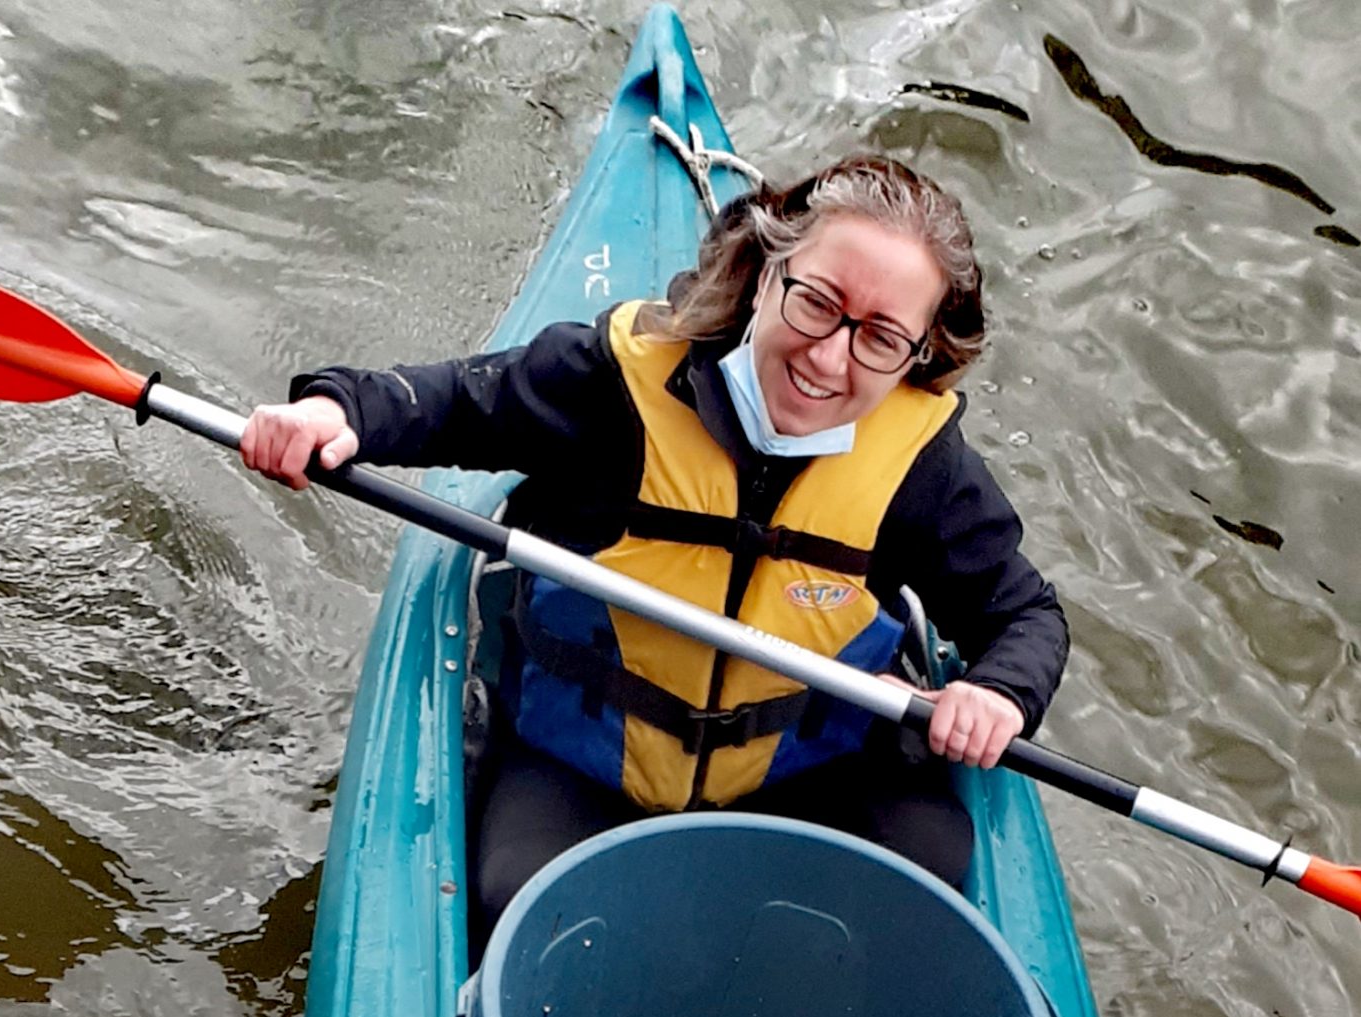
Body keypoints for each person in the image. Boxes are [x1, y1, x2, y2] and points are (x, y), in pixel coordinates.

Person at [241, 156, 1069, 933]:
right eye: (815, 300)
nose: (828, 355)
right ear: (764, 274)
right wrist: (334, 410)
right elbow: (455, 403)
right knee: (514, 902)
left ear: (919, 355)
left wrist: (996, 694)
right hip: (584, 769)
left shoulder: (926, 469)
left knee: (926, 873)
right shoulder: (614, 386)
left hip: (801, 779)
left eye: (879, 337)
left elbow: (1024, 614)